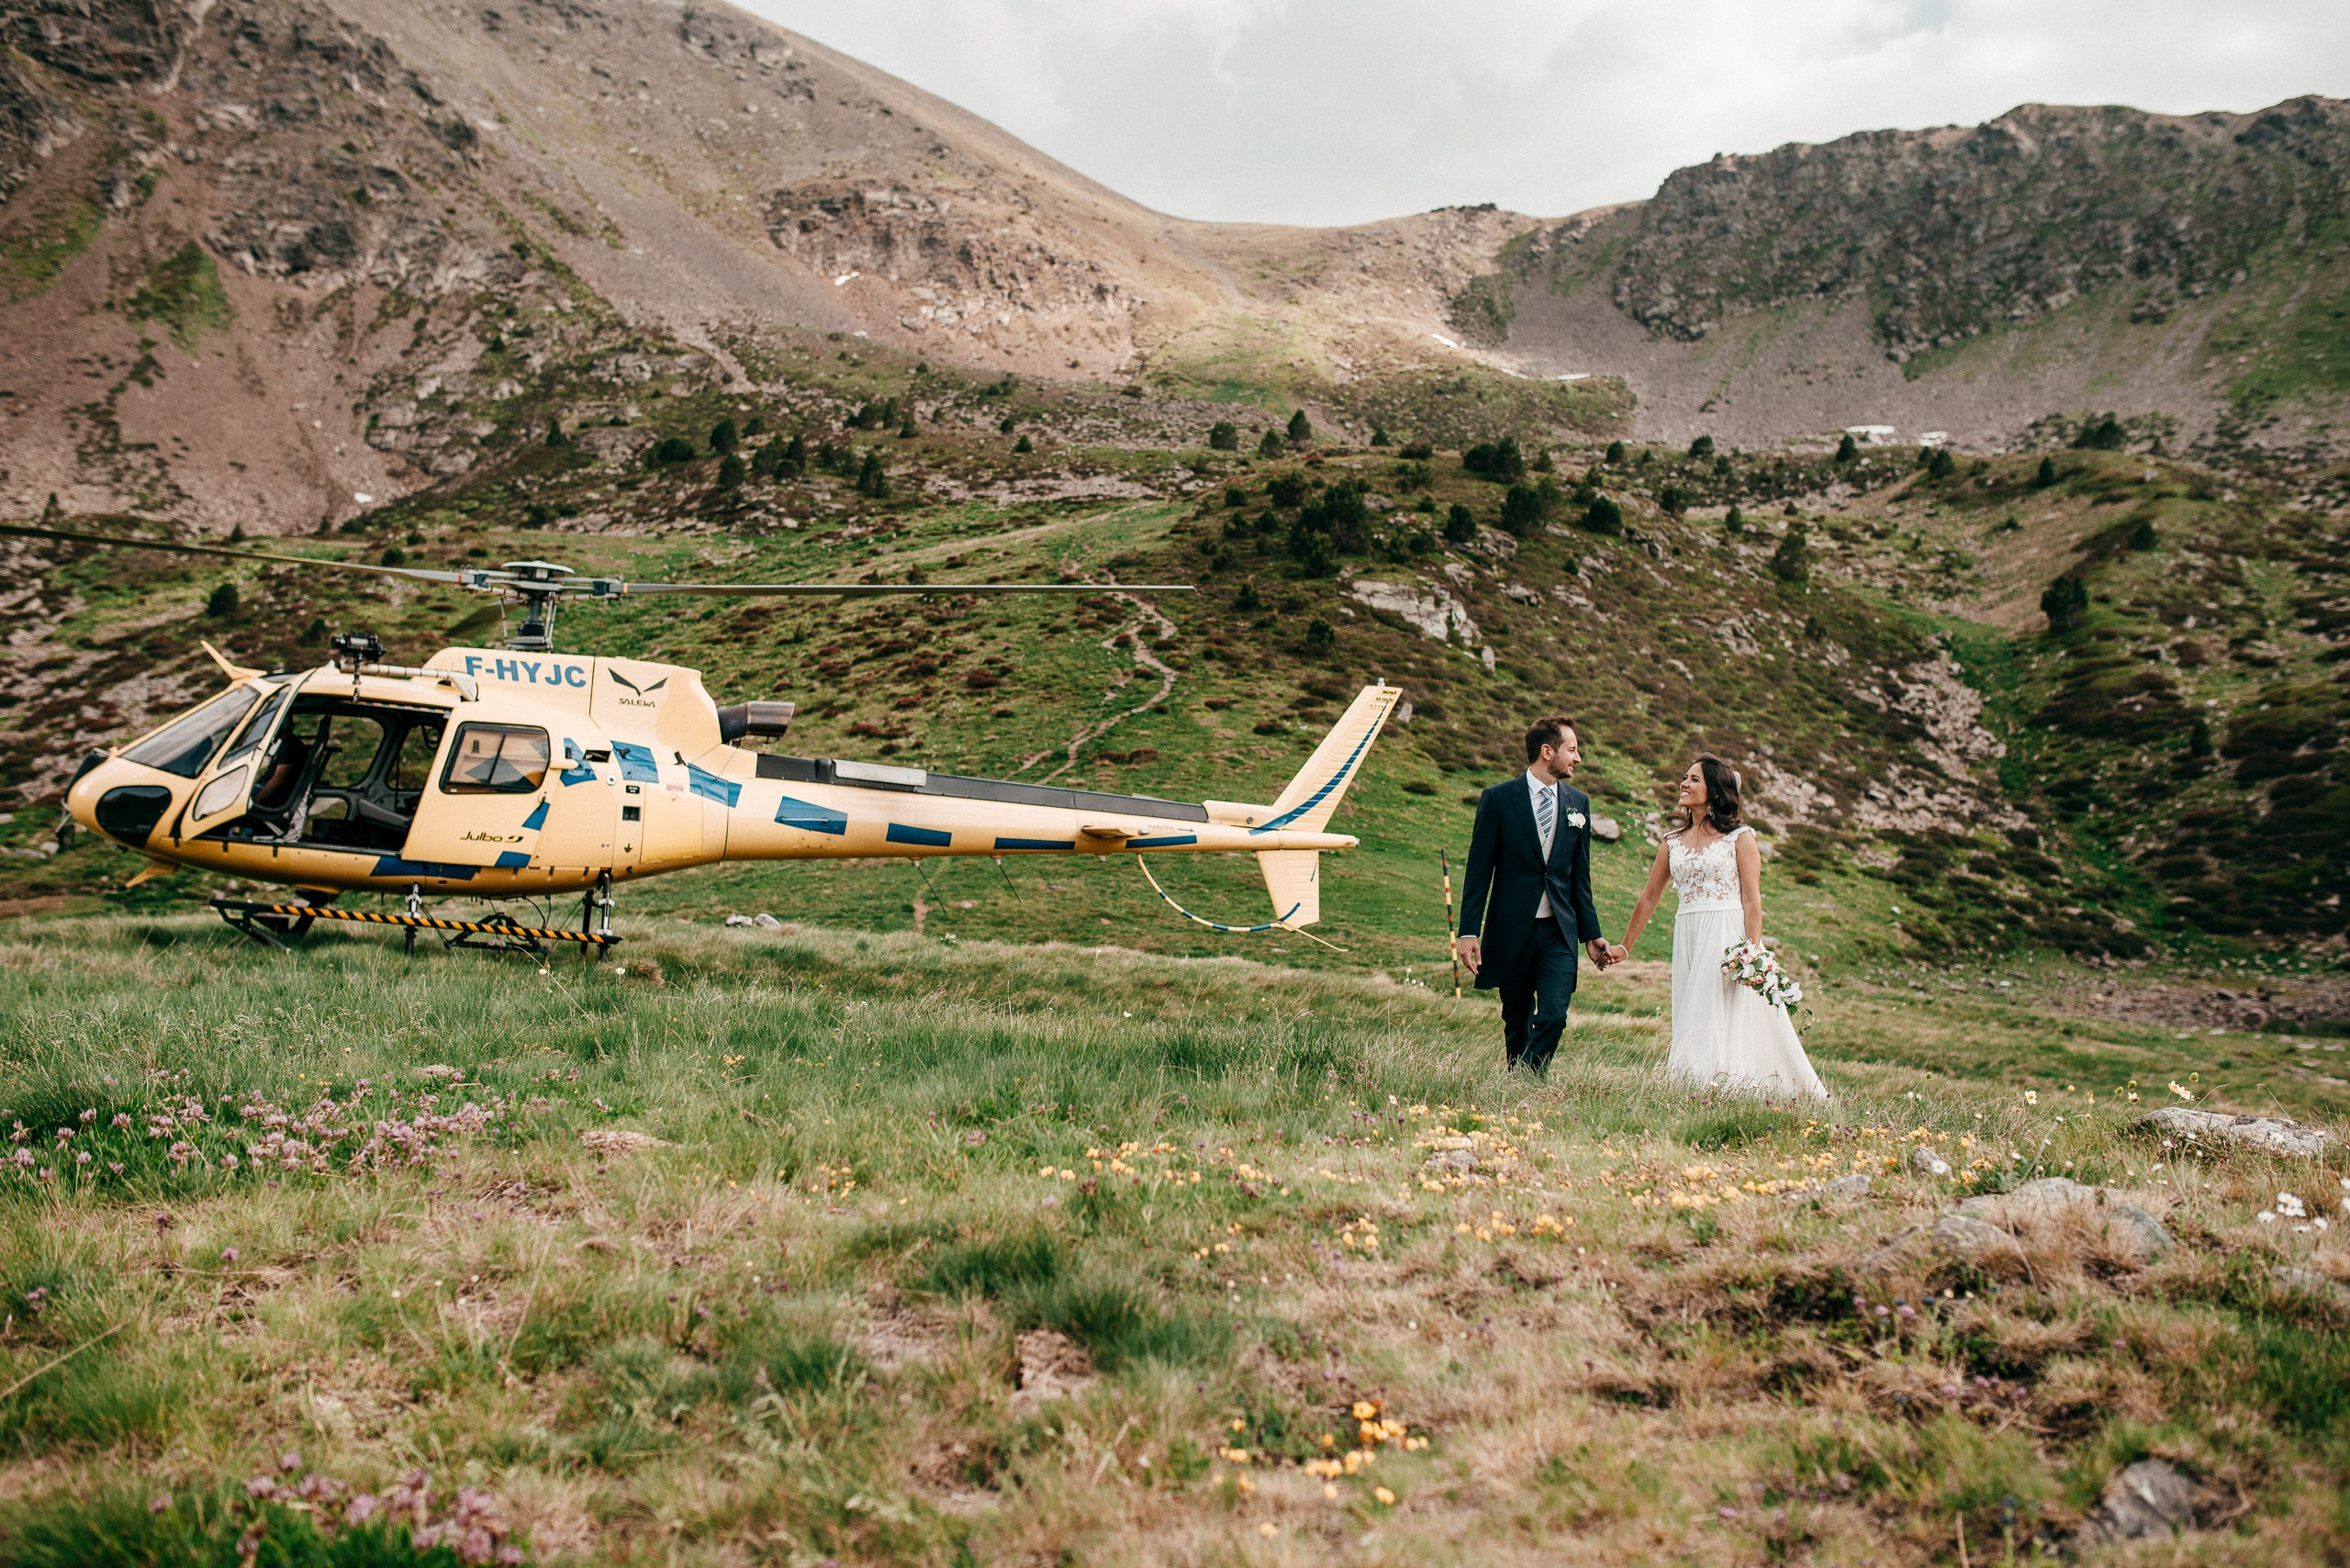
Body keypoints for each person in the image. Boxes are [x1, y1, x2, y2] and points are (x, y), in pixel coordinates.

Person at [1615, 756, 1828, 1100]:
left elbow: (1752, 899)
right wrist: (1625, 946)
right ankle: (1697, 1086)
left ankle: (1705, 1087)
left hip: (1726, 933)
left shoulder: (1740, 838)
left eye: (1694, 779)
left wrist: (1751, 952)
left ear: (1714, 790)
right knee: (1690, 1008)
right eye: (1684, 777)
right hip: (1688, 931)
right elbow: (1649, 897)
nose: (1684, 783)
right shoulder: (1671, 841)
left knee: (1713, 1010)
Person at [1455, 715, 1614, 1072]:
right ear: (1547, 751)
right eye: (1572, 749)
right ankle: (1521, 1088)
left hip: (1559, 931)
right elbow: (1478, 871)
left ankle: (1525, 1078)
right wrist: (1468, 932)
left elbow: (1580, 877)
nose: (1578, 758)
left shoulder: (1578, 803)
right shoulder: (1498, 799)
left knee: (1554, 1016)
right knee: (1516, 1019)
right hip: (1512, 929)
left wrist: (1591, 934)